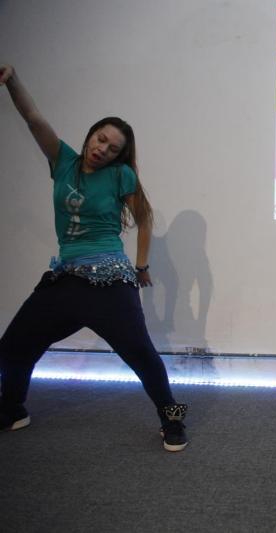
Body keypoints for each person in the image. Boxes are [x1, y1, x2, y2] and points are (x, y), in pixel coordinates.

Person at [0, 64, 188, 451]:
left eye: (113, 148)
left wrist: (141, 266)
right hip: (65, 278)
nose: (102, 149)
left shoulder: (120, 176)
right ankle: (12, 409)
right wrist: (12, 80)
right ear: (91, 134)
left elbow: (144, 218)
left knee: (140, 354)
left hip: (109, 281)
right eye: (101, 139)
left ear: (119, 155)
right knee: (14, 347)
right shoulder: (63, 161)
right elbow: (33, 118)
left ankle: (172, 417)